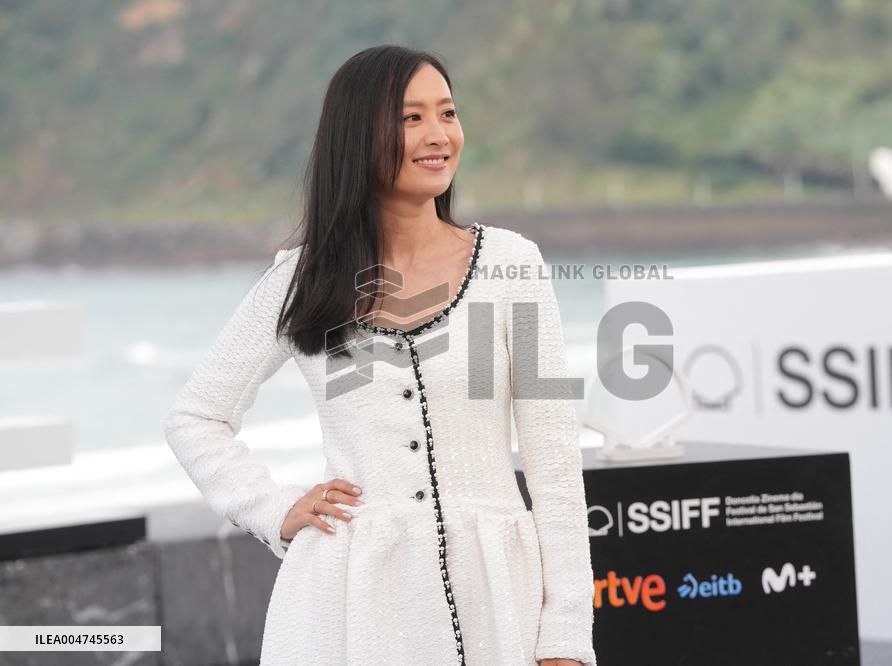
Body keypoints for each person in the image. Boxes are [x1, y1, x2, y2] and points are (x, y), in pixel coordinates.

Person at [163, 44, 596, 666]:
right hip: (350, 611)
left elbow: (555, 463)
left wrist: (565, 635)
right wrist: (274, 508)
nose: (439, 134)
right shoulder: (300, 282)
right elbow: (196, 418)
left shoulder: (511, 265)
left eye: (447, 113)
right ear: (357, 135)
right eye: (411, 118)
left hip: (498, 602)